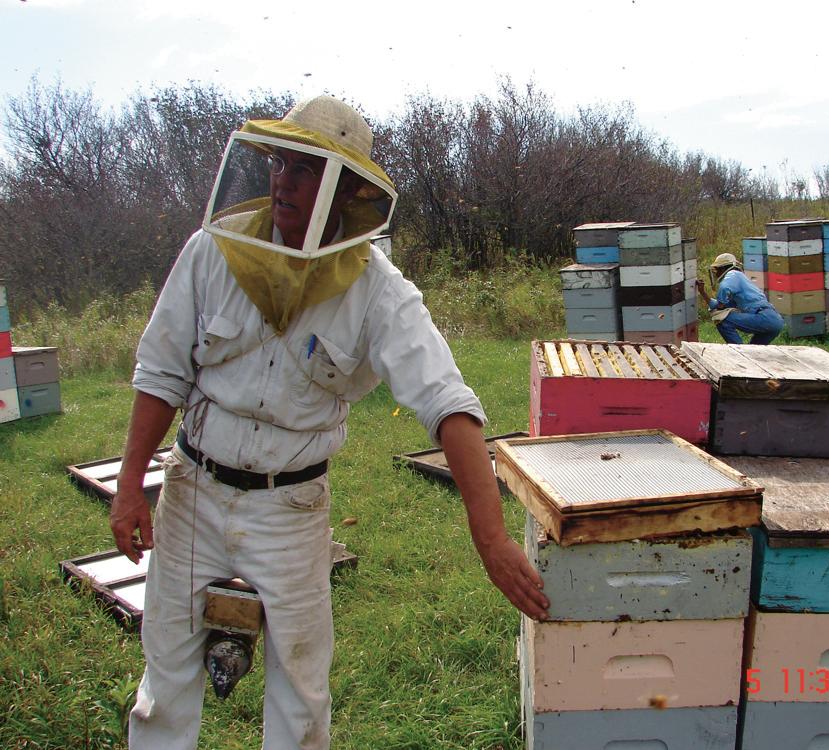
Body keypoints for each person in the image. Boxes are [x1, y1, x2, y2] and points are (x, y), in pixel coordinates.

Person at [109, 95, 550, 750]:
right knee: (165, 684)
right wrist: (127, 485)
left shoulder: (378, 291)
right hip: (193, 490)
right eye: (281, 163)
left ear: (346, 192)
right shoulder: (212, 252)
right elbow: (161, 374)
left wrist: (491, 541)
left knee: (301, 697)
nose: (284, 180)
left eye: (307, 170)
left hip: (290, 509)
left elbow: (448, 403)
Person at [696, 252, 784, 345]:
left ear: (722, 268)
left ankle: (738, 350)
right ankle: (743, 353)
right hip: (774, 320)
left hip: (764, 317)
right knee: (753, 352)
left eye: (716, 270)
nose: (716, 273)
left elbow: (724, 289)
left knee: (721, 319)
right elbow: (717, 306)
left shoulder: (733, 274)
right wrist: (702, 292)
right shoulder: (738, 284)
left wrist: (721, 303)